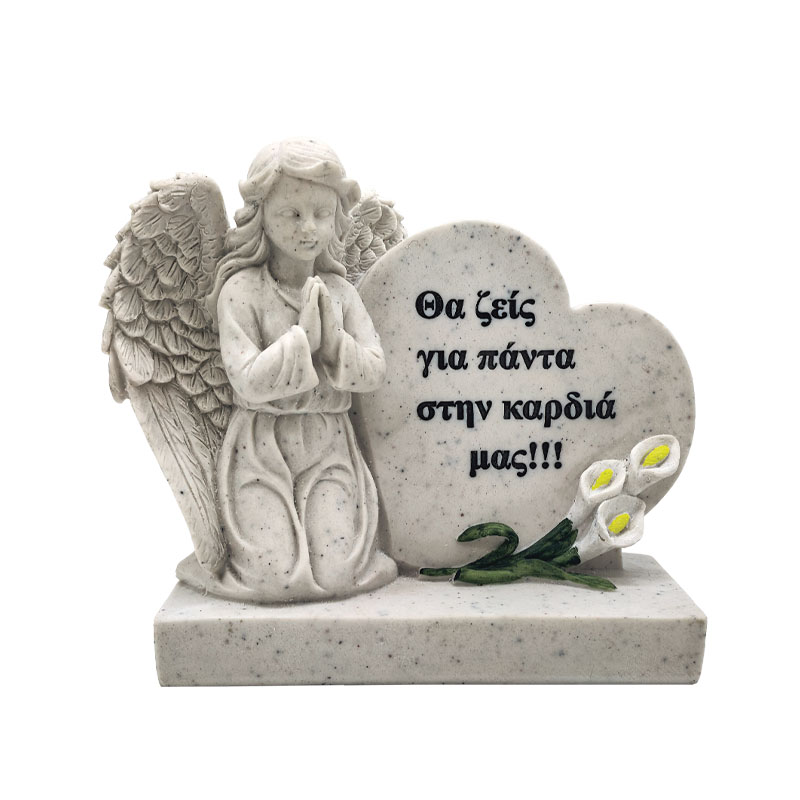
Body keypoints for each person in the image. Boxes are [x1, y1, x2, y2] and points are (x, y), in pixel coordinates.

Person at [177, 139, 398, 602]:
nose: (308, 228)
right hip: (259, 451)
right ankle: (219, 566)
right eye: (291, 214)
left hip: (329, 446)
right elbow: (246, 380)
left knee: (336, 575)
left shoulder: (341, 292)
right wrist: (301, 339)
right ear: (262, 215)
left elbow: (375, 371)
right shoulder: (241, 291)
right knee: (274, 578)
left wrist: (334, 343)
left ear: (337, 218)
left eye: (321, 213)